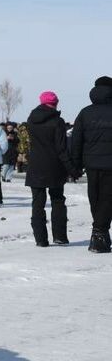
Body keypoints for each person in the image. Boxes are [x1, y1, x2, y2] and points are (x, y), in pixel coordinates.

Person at [25, 91, 77, 247]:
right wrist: (72, 169)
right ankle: (60, 236)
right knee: (58, 200)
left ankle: (40, 239)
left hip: (35, 165)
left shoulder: (31, 120)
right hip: (54, 166)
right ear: (55, 104)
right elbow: (61, 149)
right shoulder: (58, 122)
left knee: (37, 203)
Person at [71, 75, 112, 253]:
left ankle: (100, 233)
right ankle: (99, 233)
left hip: (91, 163)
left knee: (95, 197)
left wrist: (75, 164)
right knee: (107, 198)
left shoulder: (85, 113)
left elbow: (76, 140)